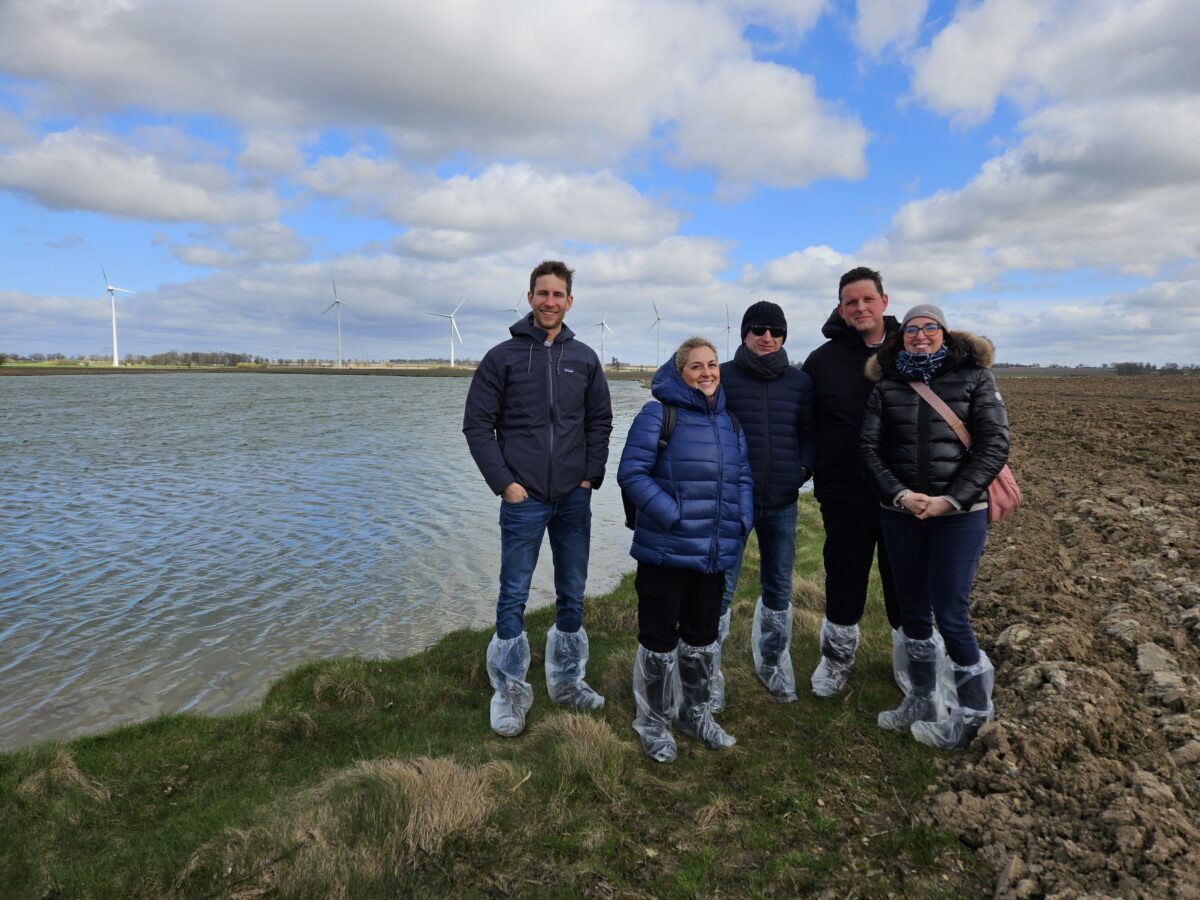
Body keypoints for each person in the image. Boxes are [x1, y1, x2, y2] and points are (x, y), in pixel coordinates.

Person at [463, 260, 613, 737]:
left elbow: (600, 422)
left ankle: (568, 680)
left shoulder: (585, 359)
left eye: (559, 294)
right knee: (514, 593)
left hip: (573, 495)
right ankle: (509, 689)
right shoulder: (502, 357)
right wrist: (504, 484)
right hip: (522, 497)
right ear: (529, 298)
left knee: (572, 590)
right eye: (542, 293)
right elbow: (476, 426)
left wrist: (590, 476)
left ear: (570, 301)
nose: (550, 301)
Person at [859, 304, 1009, 748]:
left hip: (960, 516)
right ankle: (923, 698)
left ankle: (973, 717)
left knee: (951, 612)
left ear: (944, 333)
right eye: (911, 329)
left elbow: (994, 443)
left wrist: (951, 499)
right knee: (911, 608)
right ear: (900, 336)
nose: (920, 335)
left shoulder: (976, 379)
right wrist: (901, 495)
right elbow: (868, 449)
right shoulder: (886, 386)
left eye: (929, 328)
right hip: (901, 513)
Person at [618, 337, 753, 762]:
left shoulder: (730, 422)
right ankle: (654, 722)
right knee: (659, 640)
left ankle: (695, 713)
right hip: (666, 551)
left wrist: (741, 520)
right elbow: (632, 473)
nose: (707, 372)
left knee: (702, 638)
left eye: (712, 364)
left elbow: (743, 477)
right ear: (680, 372)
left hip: (713, 552)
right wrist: (673, 516)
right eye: (696, 366)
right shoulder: (658, 414)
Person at [802, 266, 902, 697]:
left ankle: (911, 660)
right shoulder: (822, 361)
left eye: (867, 299)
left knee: (905, 579)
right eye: (850, 302)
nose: (859, 308)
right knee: (844, 575)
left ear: (884, 302)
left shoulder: (912, 350)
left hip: (906, 490)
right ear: (841, 310)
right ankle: (836, 659)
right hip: (844, 491)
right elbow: (804, 424)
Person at [714, 301, 814, 706]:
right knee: (719, 588)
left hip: (782, 501)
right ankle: (707, 671)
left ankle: (773, 663)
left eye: (775, 331)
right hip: (732, 502)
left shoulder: (799, 383)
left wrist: (800, 471)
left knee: (778, 585)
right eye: (758, 329)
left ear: (784, 335)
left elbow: (810, 435)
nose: (767, 337)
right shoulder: (721, 376)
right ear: (744, 334)